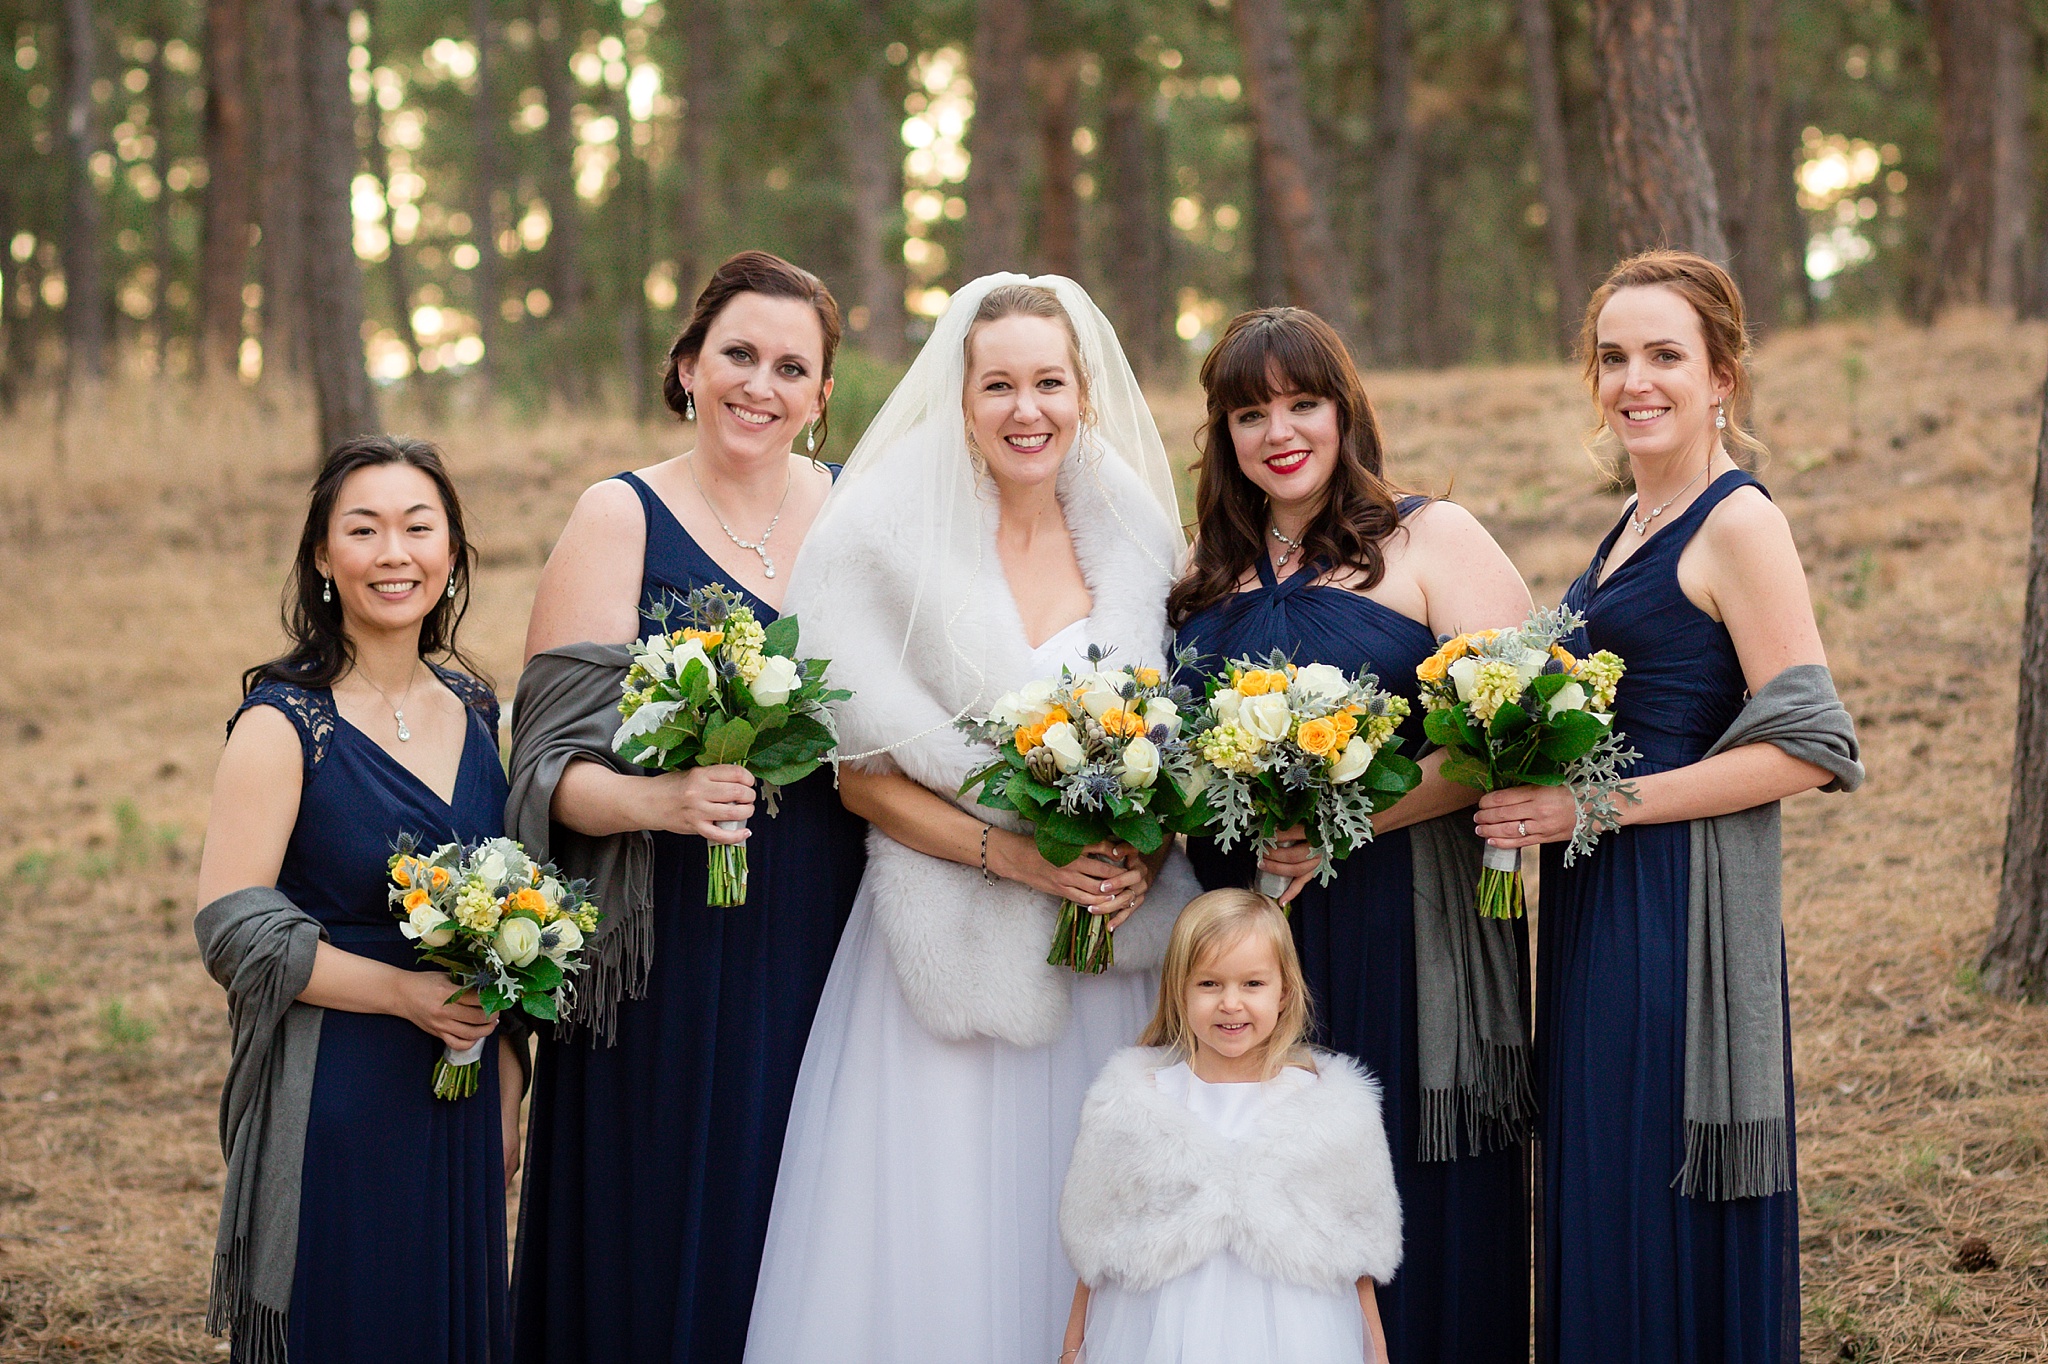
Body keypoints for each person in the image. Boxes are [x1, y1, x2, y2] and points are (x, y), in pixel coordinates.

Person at [743, 276, 1203, 1364]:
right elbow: (860, 777)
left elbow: (1179, 736)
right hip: (942, 945)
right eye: (996, 384)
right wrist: (1020, 854)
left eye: (1047, 381)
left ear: (1082, 390)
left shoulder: (1136, 533)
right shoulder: (886, 537)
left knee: (1100, 1222)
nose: (1024, 408)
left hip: (1110, 954)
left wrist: (1147, 843)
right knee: (943, 1233)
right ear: (959, 397)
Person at [1473, 250, 1862, 1364]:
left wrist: (1588, 803)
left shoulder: (1735, 522)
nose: (1632, 380)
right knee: (1604, 1173)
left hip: (1675, 916)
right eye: (1611, 357)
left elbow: (1810, 745)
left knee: (1652, 1183)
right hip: (1600, 899)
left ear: (1721, 376)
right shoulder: (1633, 522)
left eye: (1662, 356)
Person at [508, 251, 870, 1364]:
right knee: (664, 1220)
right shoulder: (618, 516)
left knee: (803, 1213)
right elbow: (539, 764)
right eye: (738, 354)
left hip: (833, 927)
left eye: (789, 366)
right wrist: (658, 798)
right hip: (667, 943)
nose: (758, 384)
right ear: (687, 366)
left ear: (818, 398)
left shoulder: (860, 510)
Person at [1168, 307, 1535, 1361]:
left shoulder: (1430, 537)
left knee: (1409, 1196)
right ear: (1223, 432)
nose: (1277, 431)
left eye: (1300, 403)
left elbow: (1508, 733)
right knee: (1271, 1210)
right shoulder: (1201, 572)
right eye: (1248, 411)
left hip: (1406, 920)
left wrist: (1348, 817)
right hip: (1250, 944)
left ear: (1343, 411)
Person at [194, 436, 514, 1364]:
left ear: (450, 556)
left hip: (457, 1084)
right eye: (363, 530)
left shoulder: (475, 706)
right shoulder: (283, 722)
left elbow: (510, 901)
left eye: (419, 528)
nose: (394, 553)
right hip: (335, 1090)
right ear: (325, 559)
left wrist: (509, 1079)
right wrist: (403, 993)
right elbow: (234, 926)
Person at [1058, 889, 1401, 1364]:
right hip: (1157, 1332)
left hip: (1298, 1334)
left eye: (1253, 984)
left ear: (1284, 991)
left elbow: (1357, 1251)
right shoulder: (1134, 1102)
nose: (1231, 1003)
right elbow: (1096, 1242)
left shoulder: (1331, 1109)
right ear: (1179, 990)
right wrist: (1073, 1346)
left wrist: (1377, 1355)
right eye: (1209, 984)